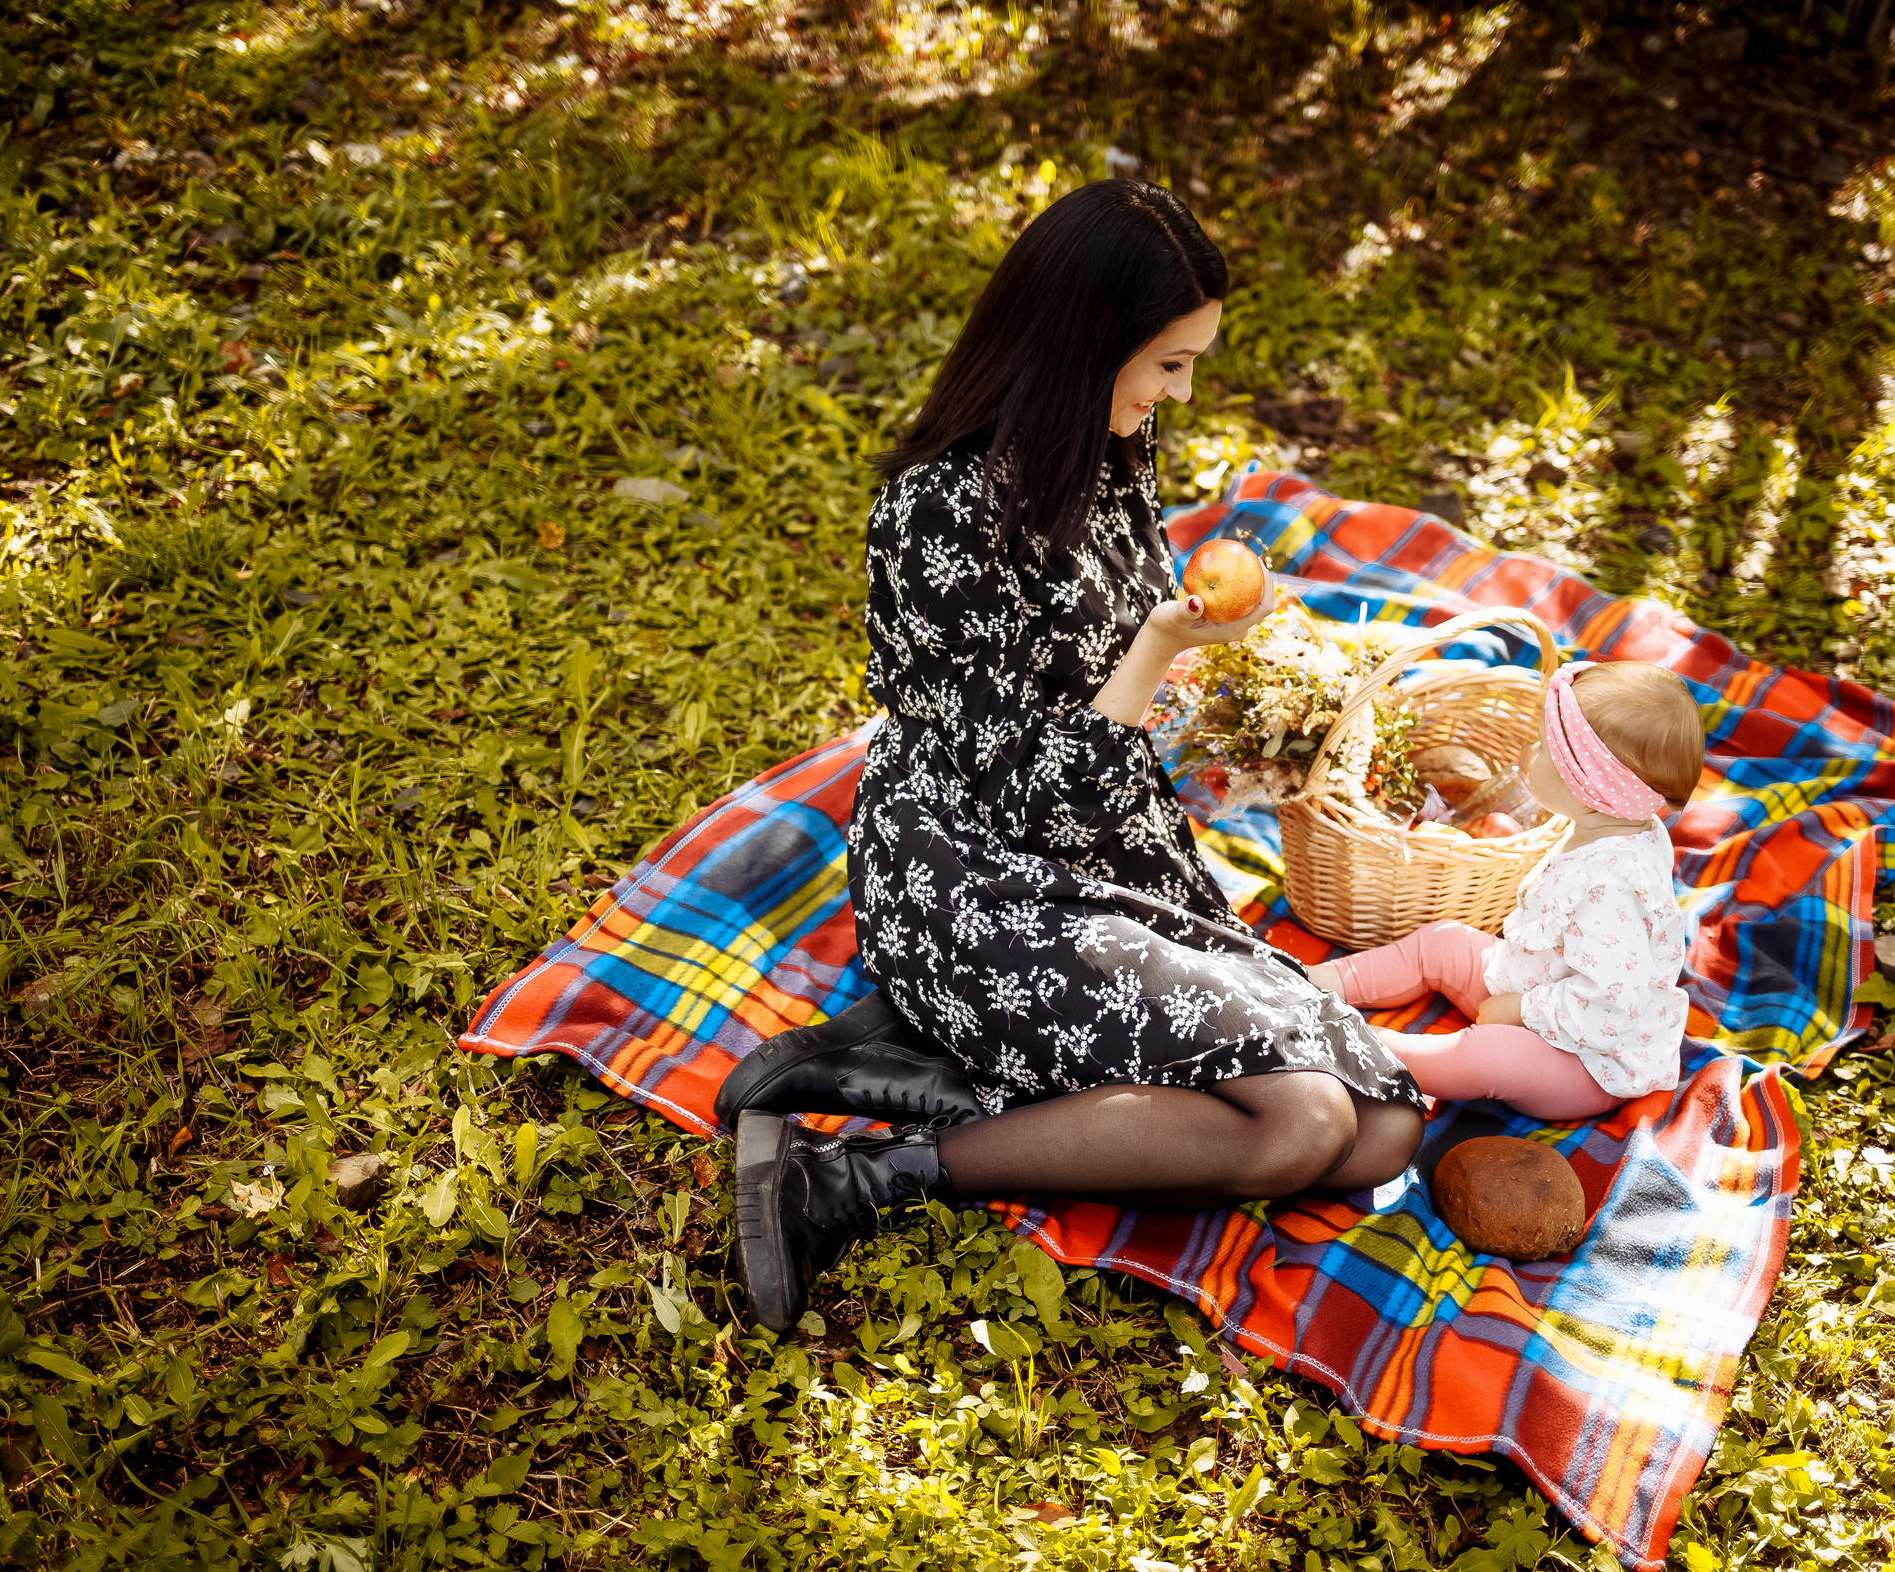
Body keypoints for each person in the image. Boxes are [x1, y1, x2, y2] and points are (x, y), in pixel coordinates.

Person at [720, 179, 1426, 1334]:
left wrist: (1217, 678)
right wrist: (1158, 648)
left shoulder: (1111, 442)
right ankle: (853, 1175)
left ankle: (918, 1071)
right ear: (1083, 345)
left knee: (1381, 1129)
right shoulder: (937, 515)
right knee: (1299, 1122)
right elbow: (1027, 796)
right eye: (1168, 364)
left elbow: (1111, 642)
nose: (1179, 393)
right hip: (974, 870)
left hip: (1111, 850)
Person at [1305, 660, 1705, 1118]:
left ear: (1590, 787)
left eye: (1547, 751)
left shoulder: (1613, 889)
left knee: (1487, 1054)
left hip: (1590, 1059)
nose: (1532, 752)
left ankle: (1351, 1043)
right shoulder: (1612, 825)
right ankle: (1315, 980)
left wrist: (1519, 1010)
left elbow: (1612, 1005)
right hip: (1536, 983)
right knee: (1442, 942)